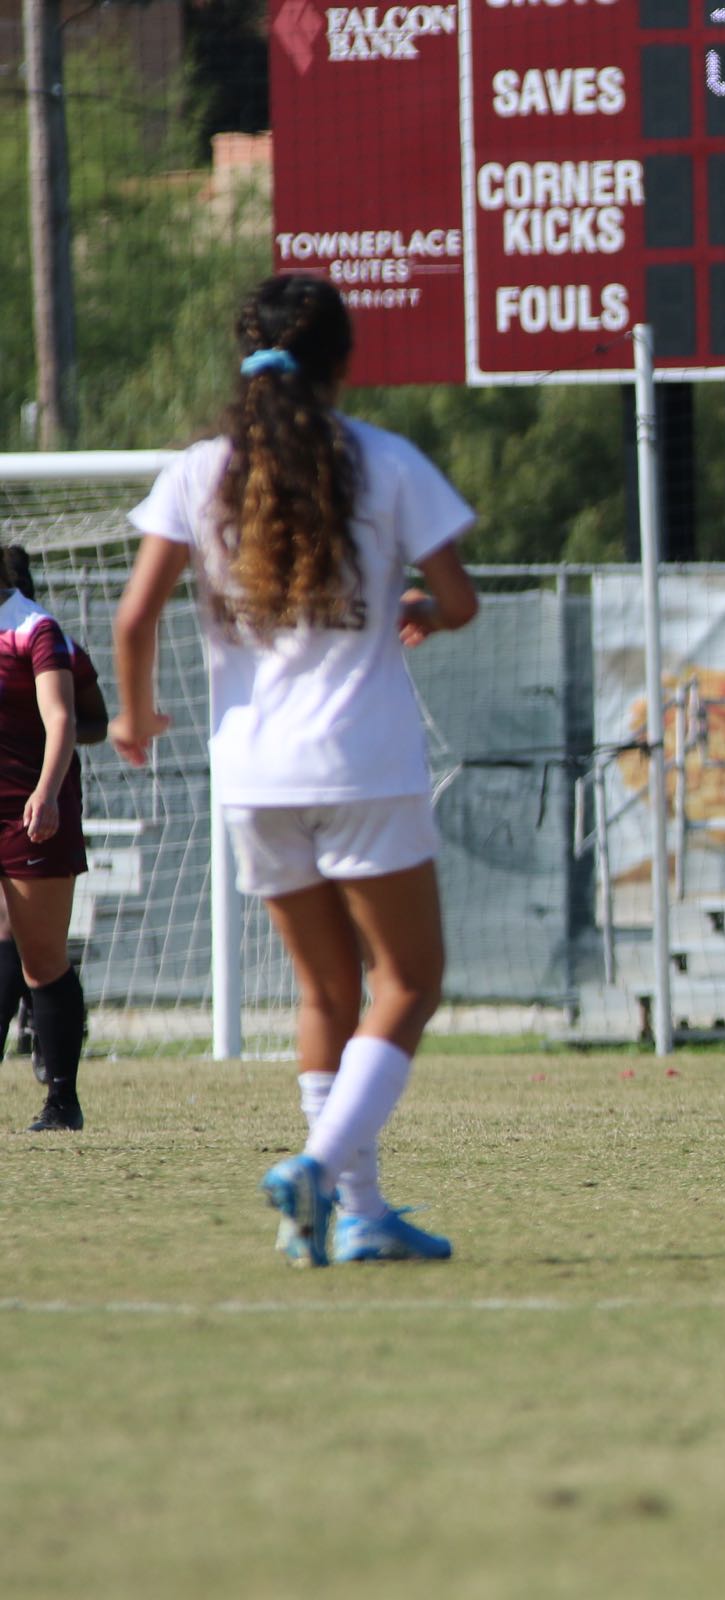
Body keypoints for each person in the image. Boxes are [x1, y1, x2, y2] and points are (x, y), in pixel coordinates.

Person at [114, 274, 481, 1265]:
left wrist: (135, 713)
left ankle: (351, 1215)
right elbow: (460, 597)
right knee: (410, 980)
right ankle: (321, 1167)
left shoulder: (201, 473)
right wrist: (421, 608)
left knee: (325, 992)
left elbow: (135, 614)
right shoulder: (388, 462)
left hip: (253, 775)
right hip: (362, 760)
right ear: (343, 362)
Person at [0, 546, 109, 1096]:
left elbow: (82, 720)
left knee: (39, 955)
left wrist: (45, 784)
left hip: (32, 809)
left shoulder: (42, 635)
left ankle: (60, 1089)